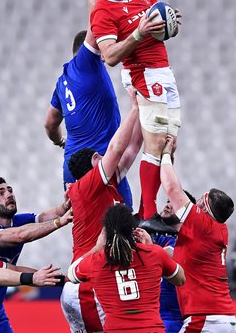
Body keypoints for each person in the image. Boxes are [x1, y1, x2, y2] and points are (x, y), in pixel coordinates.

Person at [90, 0, 182, 221]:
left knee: (169, 142)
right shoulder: (103, 12)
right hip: (142, 73)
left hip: (164, 70)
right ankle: (148, 211)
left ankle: (149, 209)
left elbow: (161, 29)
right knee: (153, 144)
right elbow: (110, 57)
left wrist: (171, 24)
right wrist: (138, 33)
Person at [44, 0, 132, 209]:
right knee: (121, 226)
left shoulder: (62, 82)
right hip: (99, 163)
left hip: (72, 166)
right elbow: (96, 19)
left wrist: (60, 140)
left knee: (83, 228)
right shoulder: (86, 63)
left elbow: (49, 123)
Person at [61, 85, 142, 332]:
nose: (108, 159)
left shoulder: (107, 188)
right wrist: (135, 106)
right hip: (86, 283)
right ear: (95, 164)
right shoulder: (85, 186)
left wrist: (144, 108)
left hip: (90, 280)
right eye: (100, 157)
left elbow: (131, 148)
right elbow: (117, 149)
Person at [67, 203, 185, 333]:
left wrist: (98, 247)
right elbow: (180, 279)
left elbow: (71, 274)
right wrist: (151, 248)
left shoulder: (96, 261)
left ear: (105, 232)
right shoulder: (154, 254)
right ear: (133, 228)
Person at [160, 135, 236, 332]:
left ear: (205, 209)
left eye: (200, 204)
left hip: (205, 318)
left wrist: (166, 154)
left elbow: (172, 188)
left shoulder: (204, 224)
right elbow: (174, 255)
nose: (195, 206)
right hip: (222, 317)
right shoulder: (216, 231)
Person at [0, 176, 73, 333]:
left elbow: (13, 271)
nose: (9, 194)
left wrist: (67, 205)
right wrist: (58, 222)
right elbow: (19, 236)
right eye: (0, 193)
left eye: (10, 190)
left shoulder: (17, 222)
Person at [135, 191, 196, 333]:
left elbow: (169, 255)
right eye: (168, 201)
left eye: (174, 203)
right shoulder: (160, 237)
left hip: (175, 321)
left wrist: (150, 248)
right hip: (152, 319)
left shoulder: (189, 242)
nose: (168, 205)